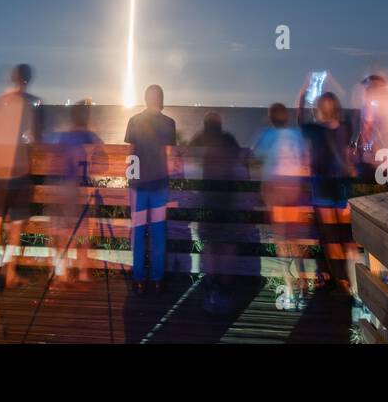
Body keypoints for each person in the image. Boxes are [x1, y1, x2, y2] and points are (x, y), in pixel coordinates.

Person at [0, 64, 40, 288]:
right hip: (18, 172)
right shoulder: (27, 105)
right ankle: (9, 272)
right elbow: (29, 138)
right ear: (26, 80)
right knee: (15, 226)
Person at [253, 102, 309, 310]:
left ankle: (290, 290)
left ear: (271, 118)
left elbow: (255, 156)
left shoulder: (267, 135)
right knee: (293, 240)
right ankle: (303, 283)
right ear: (287, 118)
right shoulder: (296, 135)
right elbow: (305, 158)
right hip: (294, 189)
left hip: (276, 189)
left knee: (280, 241)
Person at [186, 111, 244, 310]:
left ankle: (212, 289)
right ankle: (226, 290)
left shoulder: (199, 140)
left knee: (210, 246)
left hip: (207, 200)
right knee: (228, 246)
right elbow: (241, 165)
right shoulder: (229, 140)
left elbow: (188, 160)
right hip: (227, 200)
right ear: (221, 124)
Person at [124, 84, 177, 293]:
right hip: (160, 184)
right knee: (158, 232)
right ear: (161, 99)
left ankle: (138, 279)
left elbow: (131, 153)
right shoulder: (169, 123)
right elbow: (170, 156)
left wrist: (131, 179)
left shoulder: (134, 121)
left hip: (139, 186)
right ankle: (157, 279)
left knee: (138, 232)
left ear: (146, 99)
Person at [300, 91, 356, 292]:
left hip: (322, 186)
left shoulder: (314, 130)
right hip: (341, 186)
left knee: (332, 238)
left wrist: (302, 95)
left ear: (318, 110)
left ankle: (342, 281)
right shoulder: (345, 128)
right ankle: (355, 280)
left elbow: (300, 121)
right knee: (346, 236)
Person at [46, 101, 103, 282]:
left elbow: (55, 159)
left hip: (64, 186)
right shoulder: (90, 136)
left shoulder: (64, 136)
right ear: (86, 118)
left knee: (62, 231)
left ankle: (62, 273)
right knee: (83, 230)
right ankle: (84, 273)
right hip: (80, 187)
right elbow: (101, 154)